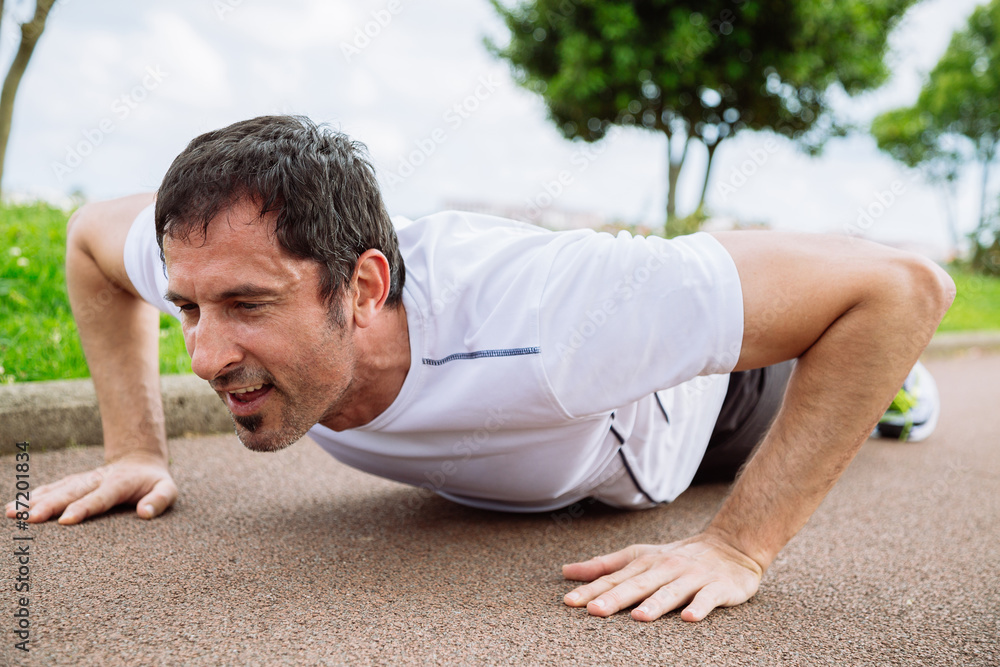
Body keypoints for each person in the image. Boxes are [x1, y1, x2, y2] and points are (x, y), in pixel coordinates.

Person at [5, 116, 954, 623]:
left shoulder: (560, 313)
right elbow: (91, 239)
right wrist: (136, 445)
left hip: (700, 414)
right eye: (189, 309)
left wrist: (736, 548)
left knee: (843, 349)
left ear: (364, 286)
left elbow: (903, 288)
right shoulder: (218, 252)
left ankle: (896, 391)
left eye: (248, 307)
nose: (207, 355)